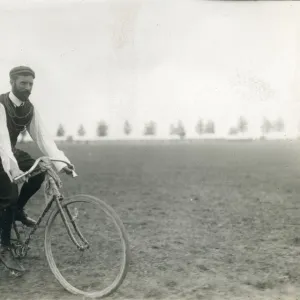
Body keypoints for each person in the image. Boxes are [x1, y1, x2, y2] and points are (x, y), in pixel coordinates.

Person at [0, 66, 74, 272]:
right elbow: (3, 141)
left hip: (8, 151)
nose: (27, 87)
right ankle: (4, 247)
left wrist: (61, 162)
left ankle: (17, 211)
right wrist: (13, 170)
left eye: (30, 84)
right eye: (23, 83)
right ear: (12, 82)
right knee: (9, 194)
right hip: (1, 150)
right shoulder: (0, 103)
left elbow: (43, 138)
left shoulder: (29, 108)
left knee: (40, 170)